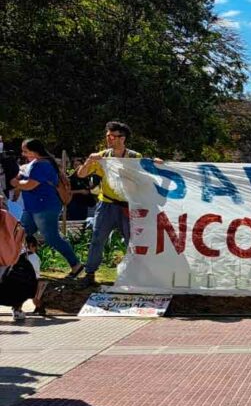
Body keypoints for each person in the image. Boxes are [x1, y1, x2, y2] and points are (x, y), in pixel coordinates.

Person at [75, 121, 144, 286]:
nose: (109, 140)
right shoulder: (102, 157)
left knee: (132, 241)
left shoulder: (135, 157)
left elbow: (145, 177)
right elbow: (81, 174)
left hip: (129, 206)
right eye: (108, 136)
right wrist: (89, 161)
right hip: (106, 204)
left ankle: (135, 275)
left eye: (113, 136)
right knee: (98, 238)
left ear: (123, 138)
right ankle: (90, 273)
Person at [7, 139, 82, 276]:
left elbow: (30, 184)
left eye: (26, 151)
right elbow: (23, 176)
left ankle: (75, 265)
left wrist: (15, 183)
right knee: (19, 235)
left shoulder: (42, 165)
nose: (23, 154)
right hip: (33, 208)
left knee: (52, 238)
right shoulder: (36, 164)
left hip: (44, 208)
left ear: (35, 151)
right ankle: (15, 265)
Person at [0, 235, 42, 321]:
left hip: (4, 284)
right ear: (30, 245)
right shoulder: (33, 257)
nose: (35, 249)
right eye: (35, 247)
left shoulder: (9, 253)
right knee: (25, 285)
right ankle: (17, 310)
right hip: (19, 288)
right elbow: (35, 277)